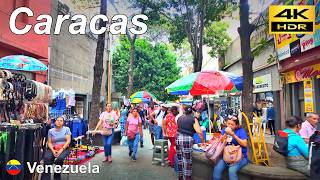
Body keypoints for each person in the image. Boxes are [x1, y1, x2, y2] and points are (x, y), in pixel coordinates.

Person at [213, 115, 248, 180]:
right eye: (228, 123)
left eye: (232, 124)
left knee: (231, 171)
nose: (229, 126)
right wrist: (226, 134)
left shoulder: (241, 131)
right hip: (227, 156)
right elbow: (222, 141)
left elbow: (245, 144)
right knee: (217, 169)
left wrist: (233, 135)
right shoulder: (224, 130)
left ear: (236, 125)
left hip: (240, 157)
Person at [176, 105, 205, 180]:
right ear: (192, 111)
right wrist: (203, 142)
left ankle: (180, 177)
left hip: (178, 138)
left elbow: (178, 128)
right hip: (187, 140)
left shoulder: (180, 118)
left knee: (180, 160)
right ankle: (187, 178)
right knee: (187, 161)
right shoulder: (193, 119)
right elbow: (199, 132)